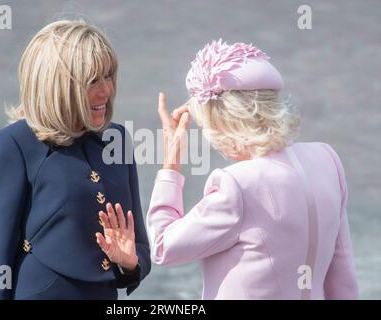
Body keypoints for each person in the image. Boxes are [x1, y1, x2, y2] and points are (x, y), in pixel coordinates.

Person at [146, 40, 358, 299]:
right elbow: (343, 276)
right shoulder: (326, 160)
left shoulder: (236, 184)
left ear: (224, 122)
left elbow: (162, 247)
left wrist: (171, 163)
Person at [0, 20, 151, 300]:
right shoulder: (12, 146)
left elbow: (139, 249)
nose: (106, 91)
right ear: (57, 84)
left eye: (109, 76)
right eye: (93, 80)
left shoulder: (116, 139)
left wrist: (129, 262)